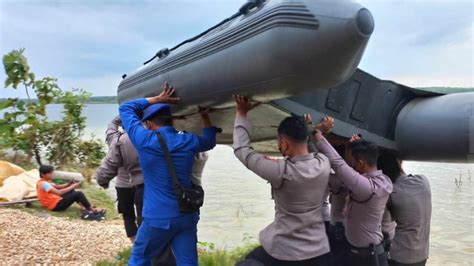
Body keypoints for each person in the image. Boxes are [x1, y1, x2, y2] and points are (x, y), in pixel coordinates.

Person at [119, 83, 217, 266]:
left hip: (157, 218)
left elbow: (126, 107)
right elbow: (209, 141)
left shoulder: (145, 140)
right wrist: (205, 118)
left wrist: (158, 98)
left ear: (148, 123)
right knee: (187, 263)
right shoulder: (187, 140)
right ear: (171, 121)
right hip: (186, 216)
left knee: (139, 259)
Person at [233, 95, 331, 266]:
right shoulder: (323, 163)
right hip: (318, 249)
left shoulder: (281, 171)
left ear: (284, 144)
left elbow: (242, 150)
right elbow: (312, 150)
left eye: (279, 143)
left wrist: (241, 113)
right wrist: (310, 129)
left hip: (286, 251)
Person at [313, 122, 393, 266]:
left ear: (362, 163)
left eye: (355, 163)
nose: (353, 167)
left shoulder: (367, 188)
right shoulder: (383, 181)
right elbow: (352, 171)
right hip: (367, 253)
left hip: (367, 258)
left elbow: (339, 164)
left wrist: (317, 134)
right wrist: (356, 149)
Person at [96, 116, 145, 242]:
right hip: (142, 184)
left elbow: (111, 125)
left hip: (123, 185)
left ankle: (134, 242)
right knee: (143, 215)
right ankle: (144, 242)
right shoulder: (145, 137)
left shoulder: (116, 139)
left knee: (127, 215)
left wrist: (123, 114)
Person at [378, 153, 432, 266]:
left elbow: (385, 223)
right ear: (399, 165)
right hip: (422, 254)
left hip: (400, 256)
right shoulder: (424, 181)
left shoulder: (391, 193)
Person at [37, 165, 103, 213]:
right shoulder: (44, 184)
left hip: (55, 201)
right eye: (50, 173)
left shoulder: (44, 181)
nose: (52, 174)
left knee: (71, 191)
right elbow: (59, 192)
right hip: (55, 206)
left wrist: (69, 184)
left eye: (51, 173)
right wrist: (73, 186)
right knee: (78, 194)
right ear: (43, 174)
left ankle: (84, 206)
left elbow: (58, 187)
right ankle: (91, 209)